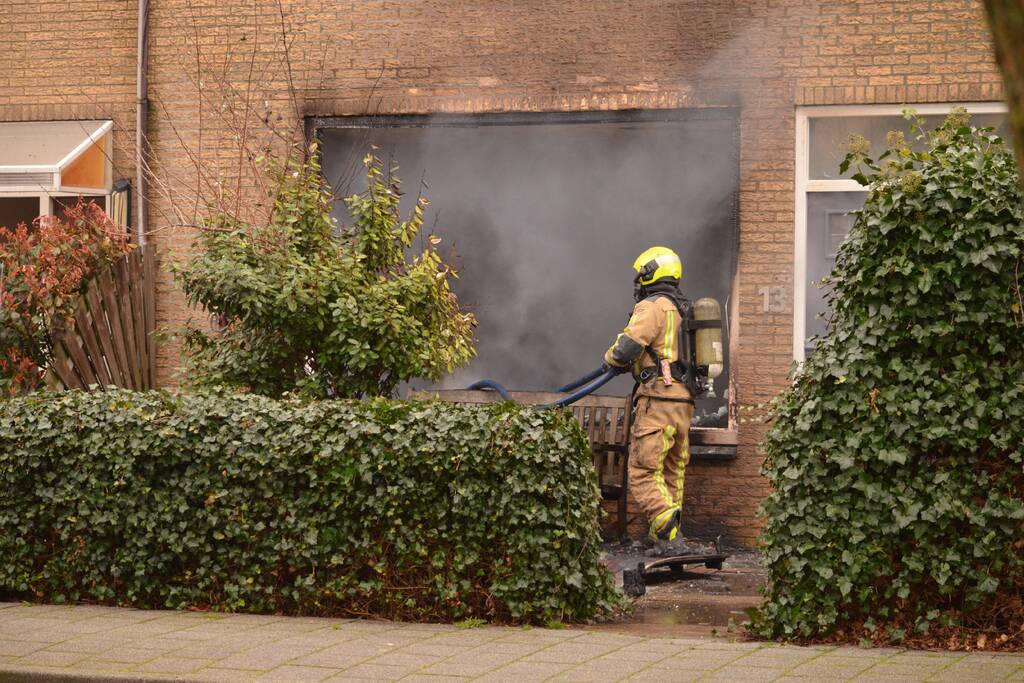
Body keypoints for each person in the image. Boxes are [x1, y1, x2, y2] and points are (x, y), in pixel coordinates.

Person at [603, 246, 693, 544]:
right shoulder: (685, 309)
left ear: (652, 273)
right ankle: (667, 539)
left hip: (658, 400)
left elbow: (626, 349)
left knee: (642, 471)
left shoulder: (653, 307)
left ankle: (668, 532)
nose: (639, 281)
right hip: (684, 401)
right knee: (671, 472)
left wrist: (609, 360)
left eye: (641, 275)